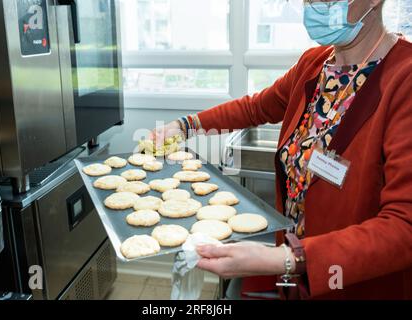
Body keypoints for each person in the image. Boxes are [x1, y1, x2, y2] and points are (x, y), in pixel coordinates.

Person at [150, 0, 412, 299]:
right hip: (296, 276)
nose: (316, 7)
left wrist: (287, 259)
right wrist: (186, 125)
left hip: (355, 283)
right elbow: (255, 107)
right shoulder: (314, 64)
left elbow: (404, 228)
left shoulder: (404, 78)